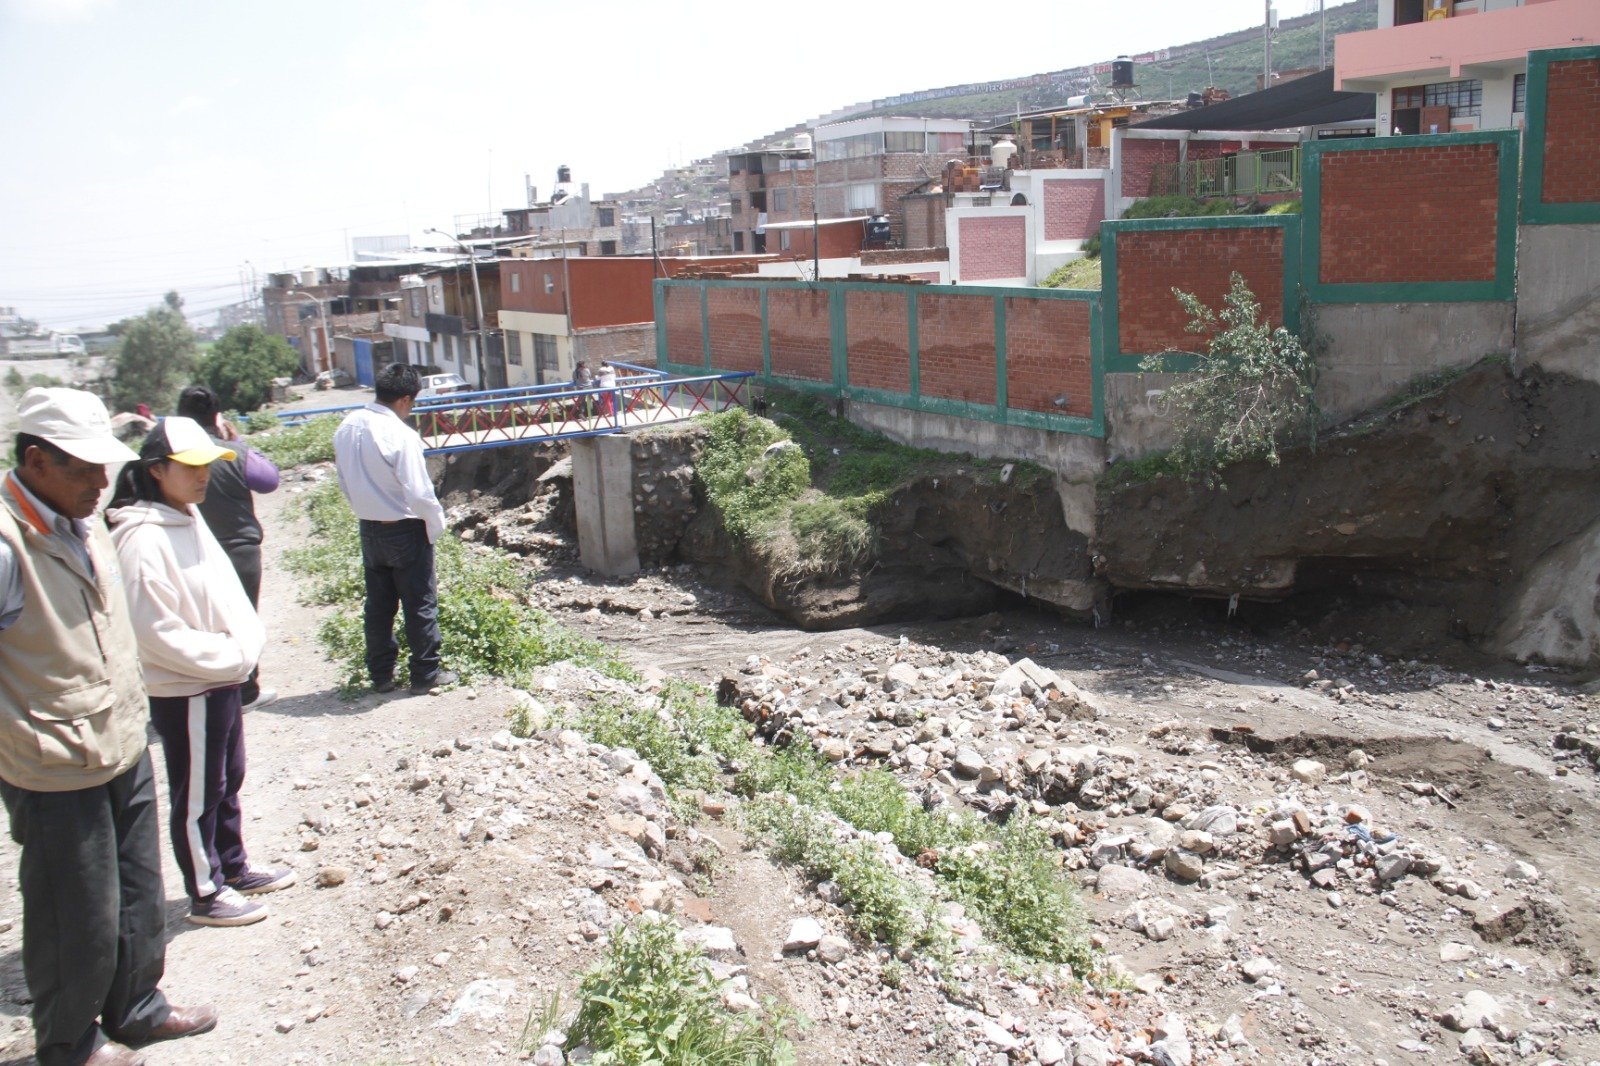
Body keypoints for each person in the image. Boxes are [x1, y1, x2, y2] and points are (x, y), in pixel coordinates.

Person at [0, 388, 218, 1066]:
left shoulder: (80, 520)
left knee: (136, 891)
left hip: (121, 739)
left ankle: (139, 1006)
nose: (102, 483)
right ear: (35, 461)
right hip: (54, 761)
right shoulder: (8, 543)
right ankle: (68, 1040)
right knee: (77, 912)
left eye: (104, 468)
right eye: (83, 469)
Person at [107, 416, 295, 930]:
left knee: (227, 778)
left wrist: (239, 653)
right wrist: (226, 658)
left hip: (221, 676)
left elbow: (226, 595)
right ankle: (206, 891)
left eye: (207, 465)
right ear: (156, 469)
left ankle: (233, 866)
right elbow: (153, 632)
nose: (202, 476)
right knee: (197, 792)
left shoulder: (185, 515)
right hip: (188, 684)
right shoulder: (142, 538)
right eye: (189, 467)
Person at [332, 364, 456, 695]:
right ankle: (425, 674)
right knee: (420, 603)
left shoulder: (346, 427)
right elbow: (419, 492)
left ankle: (382, 675)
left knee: (379, 605)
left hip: (369, 528)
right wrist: (435, 525)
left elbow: (344, 482)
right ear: (404, 400)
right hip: (404, 528)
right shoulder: (401, 435)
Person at [176, 386, 281, 709]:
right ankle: (246, 692)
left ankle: (203, 693)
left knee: (198, 625)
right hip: (239, 550)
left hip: (186, 554)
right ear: (218, 418)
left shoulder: (168, 459)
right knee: (242, 622)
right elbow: (269, 480)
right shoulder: (229, 452)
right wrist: (236, 444)